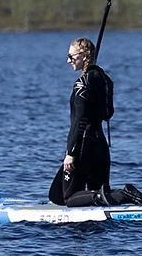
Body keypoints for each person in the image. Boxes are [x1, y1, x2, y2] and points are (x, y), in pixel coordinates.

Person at [48, 37, 115, 207]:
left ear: (84, 56)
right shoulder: (105, 80)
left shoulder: (81, 84)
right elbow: (108, 114)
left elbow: (78, 121)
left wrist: (70, 153)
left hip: (83, 145)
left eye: (72, 56)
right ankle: (121, 195)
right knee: (99, 191)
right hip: (100, 144)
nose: (68, 60)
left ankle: (112, 195)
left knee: (66, 198)